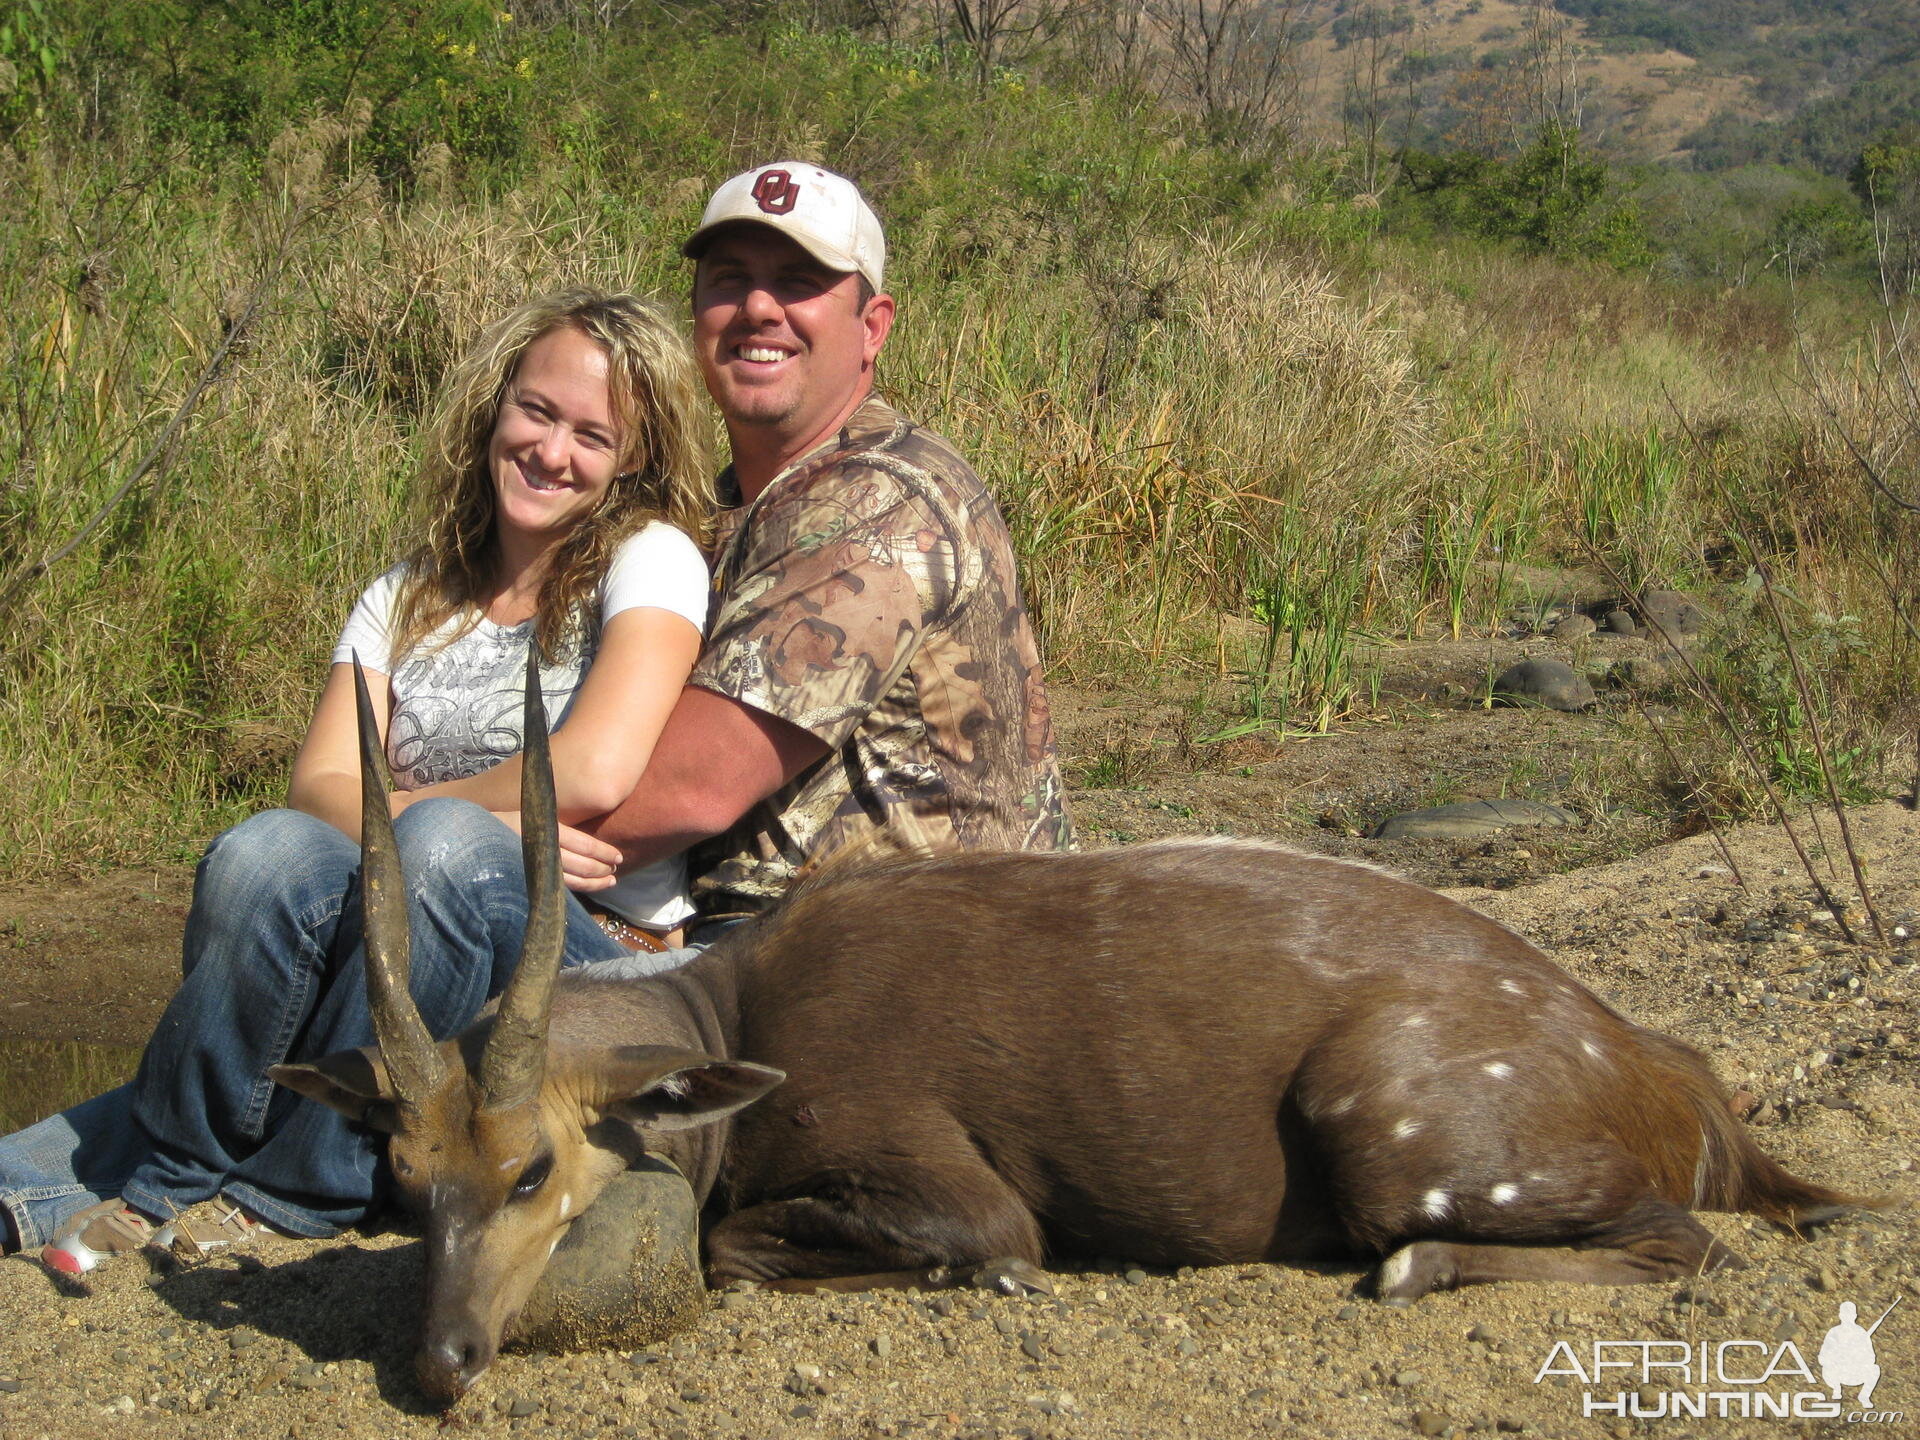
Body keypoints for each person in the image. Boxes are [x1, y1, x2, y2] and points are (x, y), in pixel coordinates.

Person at [0, 288, 713, 1269]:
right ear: (497, 404)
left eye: (593, 434)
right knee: (262, 854)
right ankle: (176, 1169)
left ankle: (297, 1193)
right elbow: (321, 788)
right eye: (538, 411)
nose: (553, 451)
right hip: (399, 944)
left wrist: (440, 829)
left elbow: (593, 766)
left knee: (441, 854)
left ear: (632, 457)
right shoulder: (404, 594)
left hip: (577, 959)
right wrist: (471, 821)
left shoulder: (649, 559)